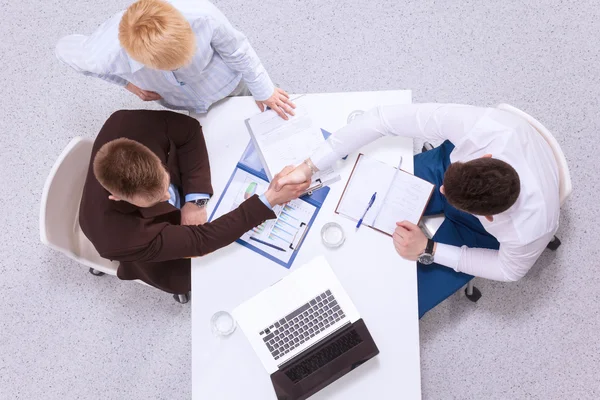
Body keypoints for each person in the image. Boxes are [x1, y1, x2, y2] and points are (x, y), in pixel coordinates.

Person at [277, 104, 560, 316]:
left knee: (399, 302)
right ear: (482, 157)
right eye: (447, 187)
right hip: (448, 169)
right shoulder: (483, 129)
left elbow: (509, 269)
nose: (441, 193)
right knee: (359, 190)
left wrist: (430, 249)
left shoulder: (529, 229)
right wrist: (309, 165)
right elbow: (382, 119)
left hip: (478, 234)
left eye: (448, 195)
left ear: (488, 217)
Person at [79, 109, 308, 298]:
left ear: (154, 157)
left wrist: (195, 201)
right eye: (157, 199)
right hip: (162, 254)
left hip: (188, 198)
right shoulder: (120, 238)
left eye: (163, 182)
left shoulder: (126, 121)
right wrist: (270, 199)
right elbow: (202, 241)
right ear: (117, 197)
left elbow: (188, 129)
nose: (168, 198)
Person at [56, 0, 295, 120]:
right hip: (181, 101)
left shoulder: (202, 14)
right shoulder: (101, 54)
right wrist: (127, 84)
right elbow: (64, 50)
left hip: (229, 82)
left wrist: (264, 90)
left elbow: (238, 51)